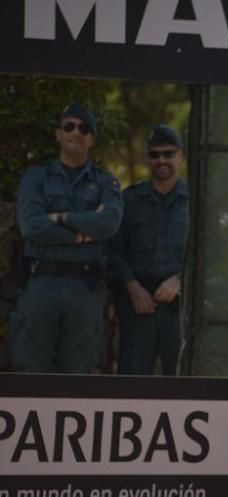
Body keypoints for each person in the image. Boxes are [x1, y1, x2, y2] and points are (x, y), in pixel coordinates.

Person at [11, 103, 123, 373]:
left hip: (84, 290)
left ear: (92, 139)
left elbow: (109, 223)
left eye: (84, 128)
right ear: (58, 134)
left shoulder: (106, 182)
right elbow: (32, 226)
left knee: (78, 376)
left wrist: (61, 217)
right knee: (30, 372)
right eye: (69, 126)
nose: (76, 132)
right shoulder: (36, 177)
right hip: (41, 285)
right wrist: (82, 236)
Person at [108, 125, 187, 375]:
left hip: (180, 309)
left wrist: (180, 279)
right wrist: (133, 288)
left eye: (168, 154)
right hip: (137, 306)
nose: (161, 160)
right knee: (132, 382)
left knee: (181, 382)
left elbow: (207, 253)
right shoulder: (129, 200)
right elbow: (112, 251)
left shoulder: (196, 202)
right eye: (155, 155)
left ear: (180, 156)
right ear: (148, 158)